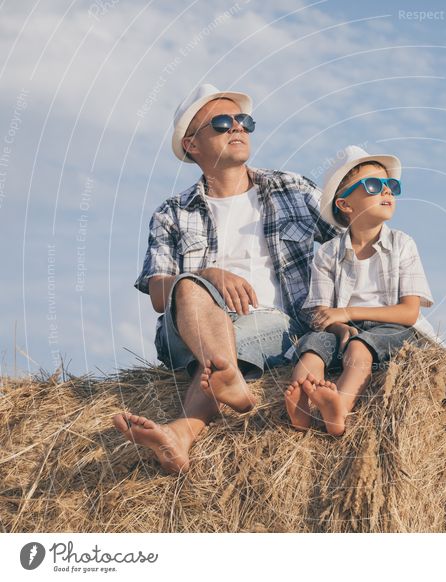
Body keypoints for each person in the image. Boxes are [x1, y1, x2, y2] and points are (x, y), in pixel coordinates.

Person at [113, 84, 340, 473]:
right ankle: (230, 379)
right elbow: (158, 292)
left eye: (244, 121)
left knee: (217, 358)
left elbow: (352, 243)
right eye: (222, 123)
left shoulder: (292, 189)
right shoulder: (172, 212)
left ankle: (181, 433)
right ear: (192, 145)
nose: (238, 128)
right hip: (186, 333)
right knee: (187, 287)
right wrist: (207, 275)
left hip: (277, 328)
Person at [284, 145, 436, 436]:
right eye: (373, 185)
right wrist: (340, 327)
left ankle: (339, 407)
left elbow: (409, 312)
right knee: (313, 347)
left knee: (360, 348)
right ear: (345, 204)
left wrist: (349, 312)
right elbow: (321, 313)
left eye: (391, 185)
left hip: (392, 330)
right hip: (342, 329)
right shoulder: (328, 254)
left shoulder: (403, 245)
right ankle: (303, 406)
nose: (387, 191)